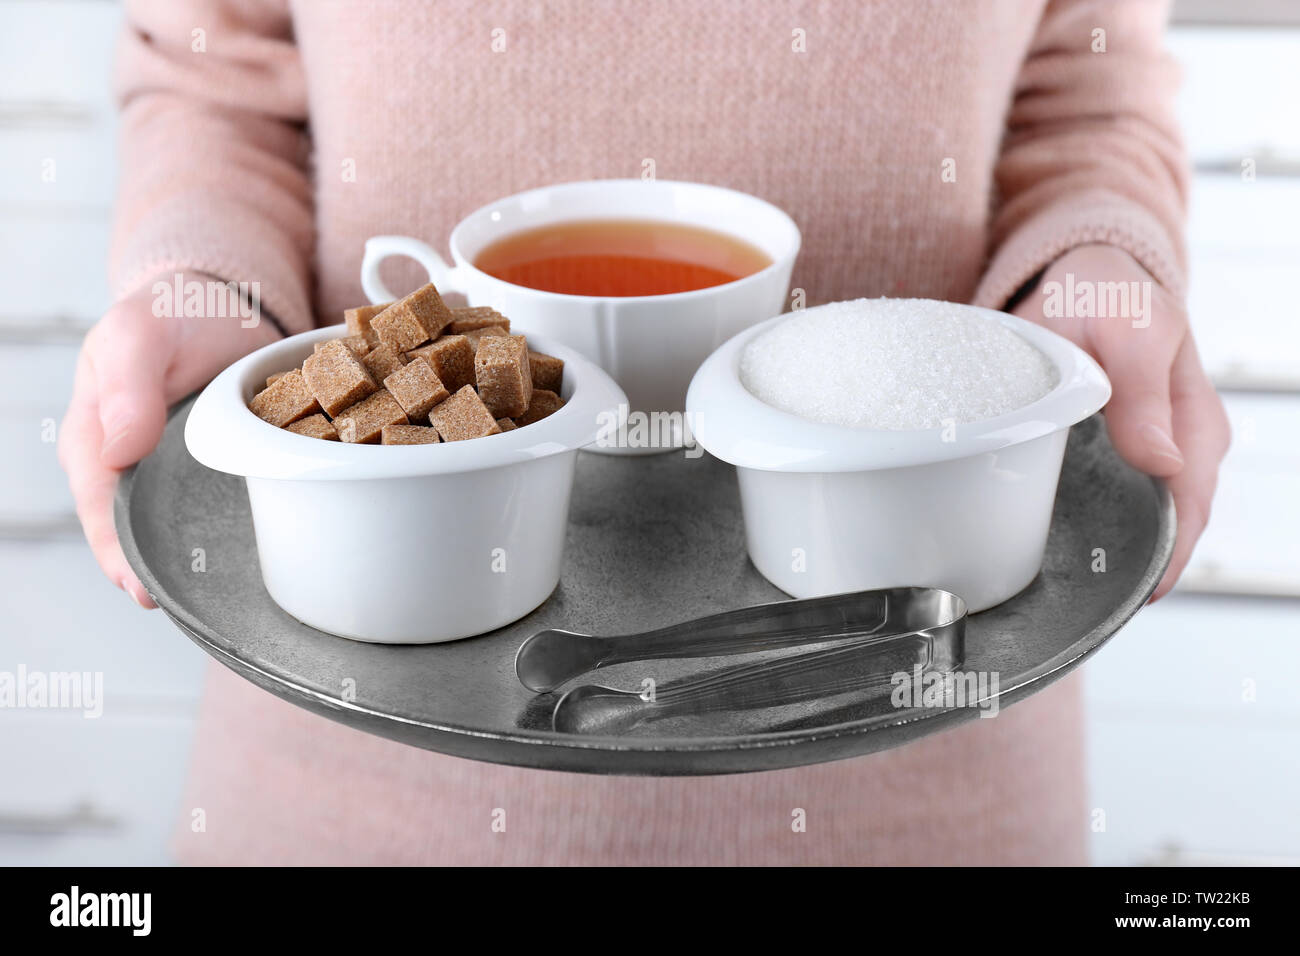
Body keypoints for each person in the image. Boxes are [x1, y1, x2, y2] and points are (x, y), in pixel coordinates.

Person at [60, 0, 1228, 864]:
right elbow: (213, 87)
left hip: (927, 760)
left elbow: (1085, 98)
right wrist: (207, 288)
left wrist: (1097, 274)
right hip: (356, 789)